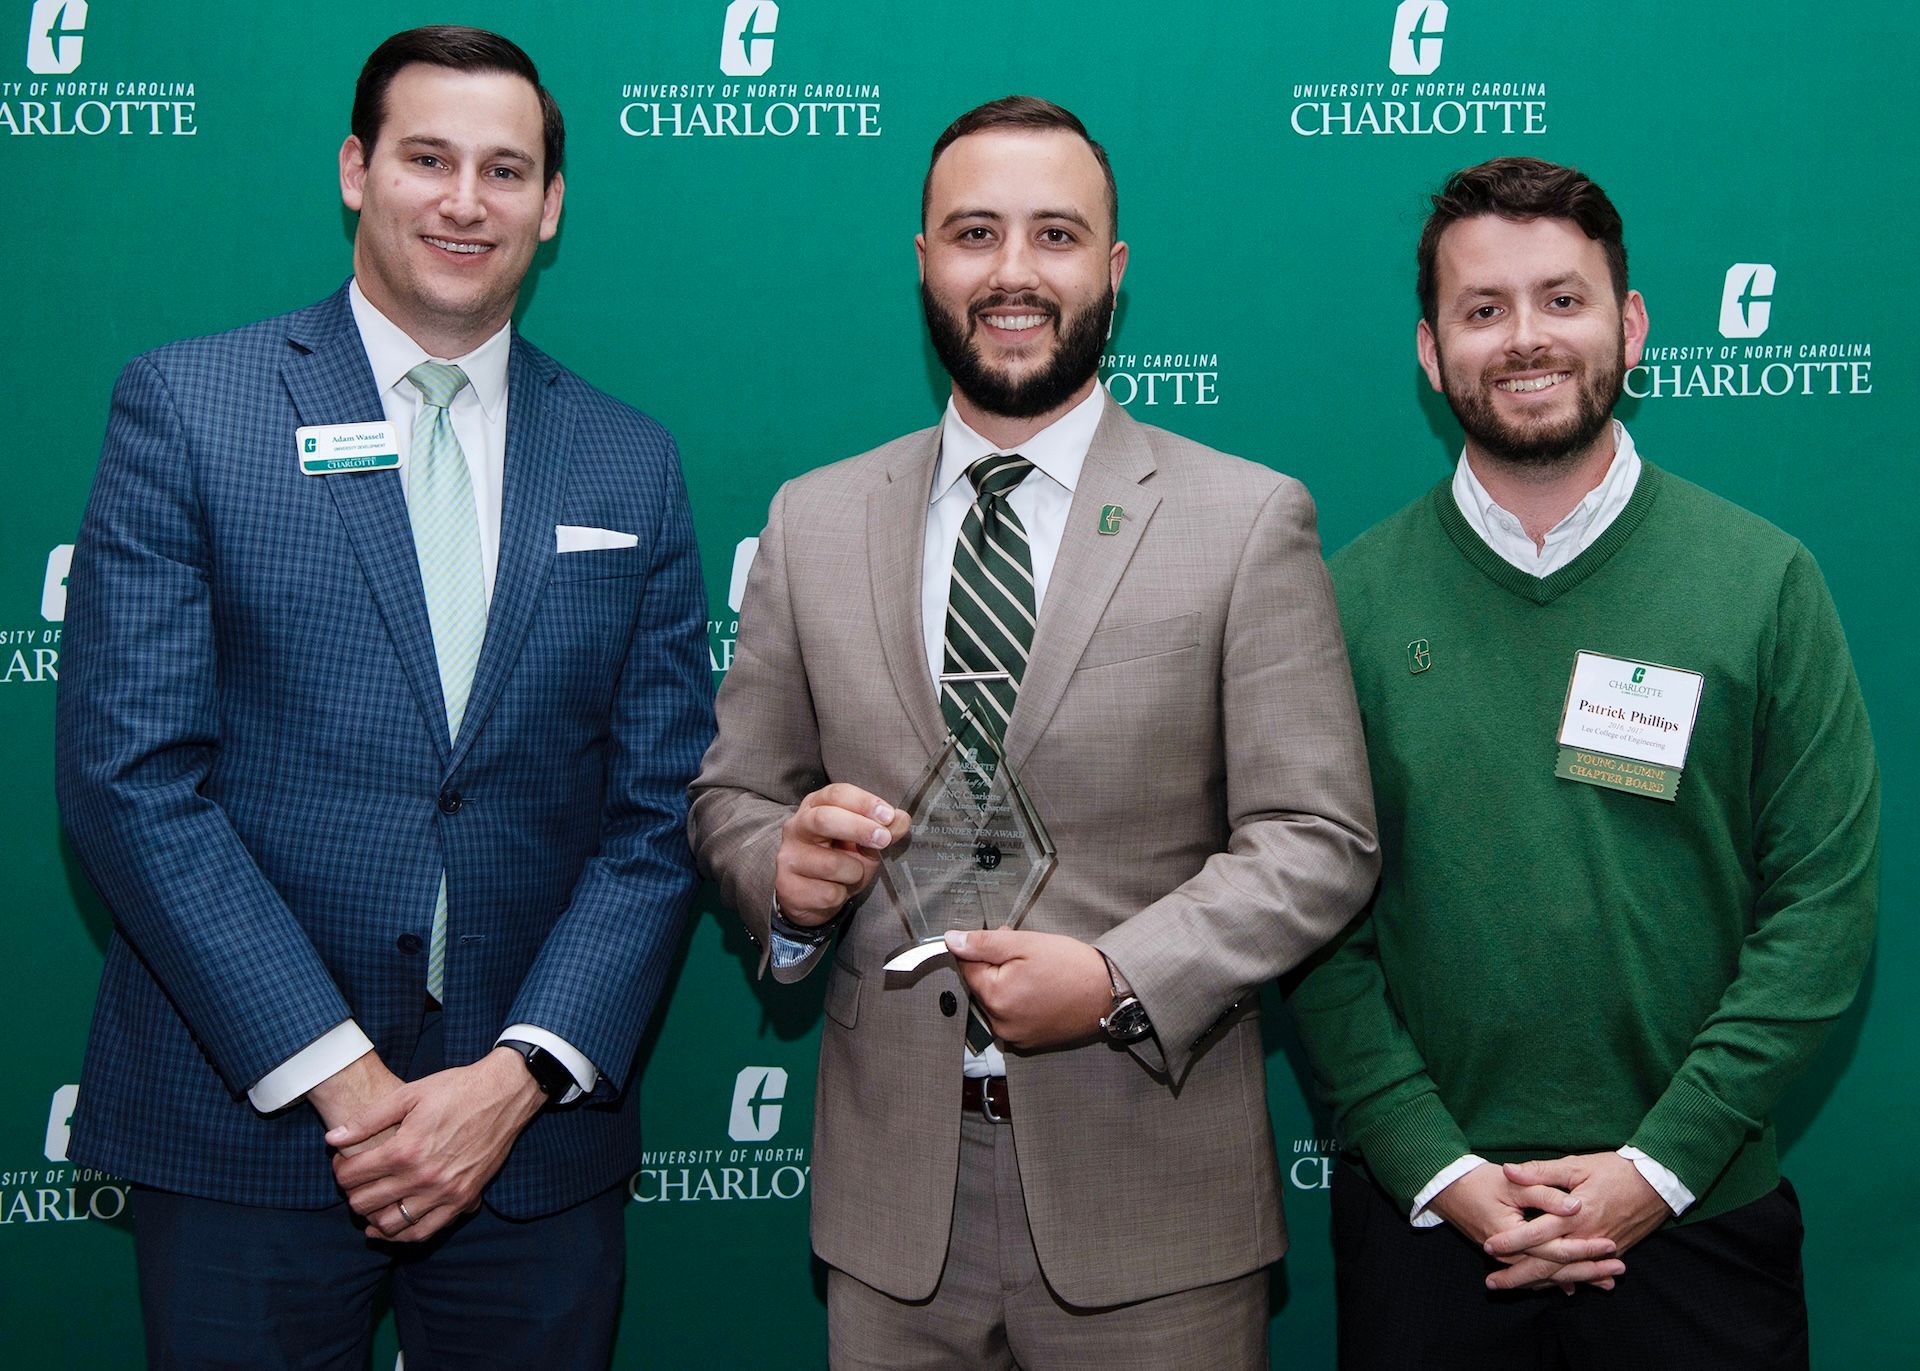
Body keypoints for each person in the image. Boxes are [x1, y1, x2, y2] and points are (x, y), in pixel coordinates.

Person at [55, 26, 712, 1369]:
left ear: (552, 202)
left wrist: (514, 1077)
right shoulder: (190, 408)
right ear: (357, 169)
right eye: (428, 158)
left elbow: (660, 815)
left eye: (505, 168)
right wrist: (347, 1081)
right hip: (254, 1126)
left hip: (529, 1144)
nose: (466, 202)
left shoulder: (629, 462)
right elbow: (130, 782)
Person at [689, 95, 1377, 1368]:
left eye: (1056, 235)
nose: (1013, 273)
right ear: (923, 262)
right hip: (892, 1218)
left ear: (1113, 272)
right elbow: (734, 795)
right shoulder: (812, 520)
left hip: (1153, 1208)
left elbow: (1317, 838)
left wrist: (1120, 983)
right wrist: (781, 876)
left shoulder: (1245, 519)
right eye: (974, 234)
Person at [1288, 156, 1879, 1369]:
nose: (1526, 339)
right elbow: (1308, 924)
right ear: (1429, 347)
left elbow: (1821, 912)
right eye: (1483, 308)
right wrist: (1436, 1165)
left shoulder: (1764, 581)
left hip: (1700, 1224)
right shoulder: (1339, 601)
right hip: (1431, 1237)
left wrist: (1656, 1168)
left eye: (1563, 299)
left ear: (1632, 324)